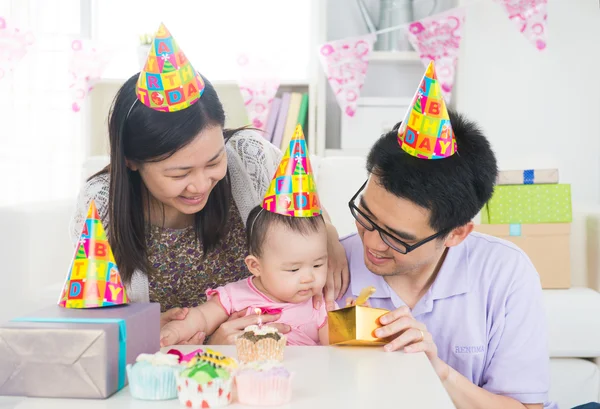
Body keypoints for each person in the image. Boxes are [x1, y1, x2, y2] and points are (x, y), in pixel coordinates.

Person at [69, 23, 348, 345]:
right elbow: (94, 323)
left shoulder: (248, 157)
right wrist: (161, 332)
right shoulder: (99, 206)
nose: (201, 184)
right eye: (179, 174)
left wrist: (329, 236)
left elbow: (306, 211)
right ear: (131, 160)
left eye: (214, 161)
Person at [339, 62, 555, 408]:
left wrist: (438, 372)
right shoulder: (327, 267)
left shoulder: (504, 273)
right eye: (365, 215)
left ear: (456, 234)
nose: (371, 243)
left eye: (397, 237)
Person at [160, 204, 330, 347]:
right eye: (294, 269)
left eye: (318, 265)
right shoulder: (235, 295)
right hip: (248, 378)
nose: (309, 277)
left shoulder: (320, 303)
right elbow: (202, 317)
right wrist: (174, 331)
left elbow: (336, 348)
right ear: (256, 266)